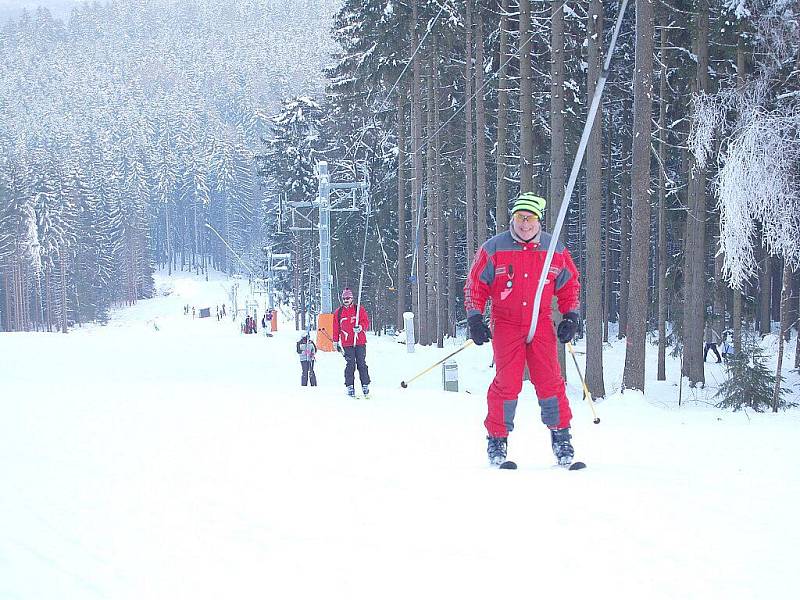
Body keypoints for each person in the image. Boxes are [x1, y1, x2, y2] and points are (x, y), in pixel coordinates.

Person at [464, 192, 581, 467]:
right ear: (512, 218)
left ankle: (561, 437)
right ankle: (497, 440)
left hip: (540, 323)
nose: (525, 224)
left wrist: (571, 316)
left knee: (550, 381)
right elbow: (475, 284)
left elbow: (570, 284)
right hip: (506, 323)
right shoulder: (494, 248)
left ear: (538, 220)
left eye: (530, 218)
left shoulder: (555, 250)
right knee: (508, 383)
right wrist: (475, 318)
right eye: (520, 217)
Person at [332, 287, 371, 397]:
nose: (346, 300)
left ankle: (365, 385)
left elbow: (366, 322)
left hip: (359, 341)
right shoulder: (338, 313)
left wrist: (361, 327)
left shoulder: (358, 310)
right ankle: (350, 386)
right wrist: (335, 341)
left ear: (352, 298)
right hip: (347, 343)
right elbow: (336, 328)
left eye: (348, 298)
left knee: (361, 363)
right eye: (344, 298)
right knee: (350, 364)